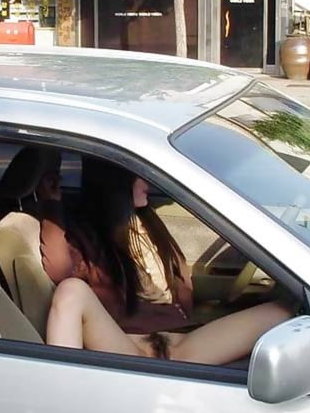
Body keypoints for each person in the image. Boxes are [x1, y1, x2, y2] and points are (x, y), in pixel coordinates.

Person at [37, 155, 291, 364]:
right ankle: (61, 388)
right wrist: (51, 205)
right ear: (115, 181)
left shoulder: (147, 221)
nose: (148, 181)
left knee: (286, 311)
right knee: (71, 291)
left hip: (179, 342)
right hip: (129, 347)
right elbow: (60, 269)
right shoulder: (86, 233)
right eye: (139, 174)